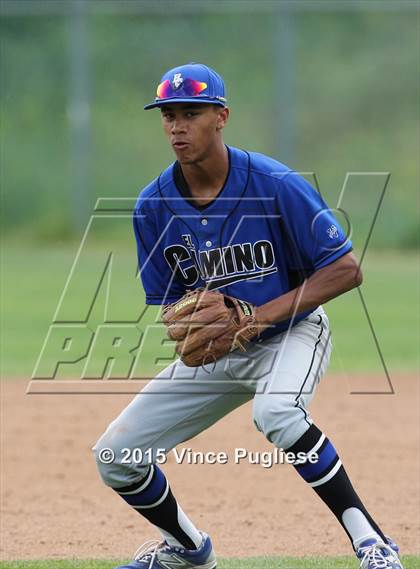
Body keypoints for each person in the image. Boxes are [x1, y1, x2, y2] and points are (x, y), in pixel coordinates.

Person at [93, 63, 403, 569]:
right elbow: (174, 306)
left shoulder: (274, 183)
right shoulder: (152, 206)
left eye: (190, 114)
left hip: (292, 334)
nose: (176, 127)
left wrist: (257, 318)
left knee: (276, 414)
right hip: (223, 353)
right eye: (168, 115)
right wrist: (194, 329)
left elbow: (346, 270)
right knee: (115, 456)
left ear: (221, 117)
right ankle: (189, 550)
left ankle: (372, 542)